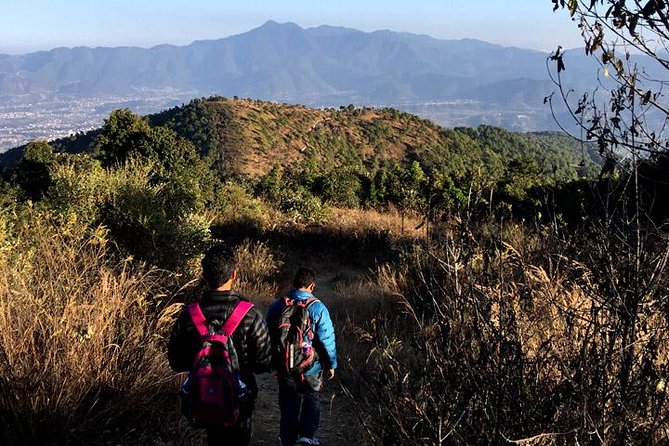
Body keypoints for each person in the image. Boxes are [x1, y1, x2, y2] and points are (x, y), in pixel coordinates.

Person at [168, 243, 272, 446]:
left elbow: (176, 362)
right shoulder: (249, 314)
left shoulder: (190, 314)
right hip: (241, 398)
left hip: (203, 397)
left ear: (204, 275)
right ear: (234, 274)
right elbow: (263, 362)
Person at [266, 267, 338, 446]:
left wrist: (271, 360)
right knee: (311, 396)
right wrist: (331, 364)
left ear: (294, 284)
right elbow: (326, 339)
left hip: (285, 367)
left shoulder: (278, 305)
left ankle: (287, 439)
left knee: (289, 404)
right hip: (310, 366)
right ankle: (306, 436)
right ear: (312, 286)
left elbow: (268, 335)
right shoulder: (319, 308)